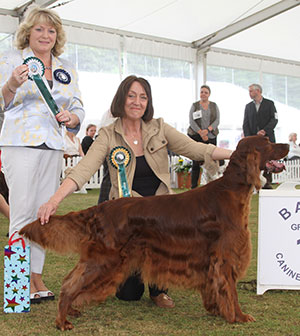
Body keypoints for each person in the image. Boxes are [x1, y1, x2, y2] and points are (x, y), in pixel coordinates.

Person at [37, 75, 232, 309]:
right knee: (128, 294)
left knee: (165, 255)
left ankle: (159, 290)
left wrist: (236, 153)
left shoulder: (159, 127)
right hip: (128, 219)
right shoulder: (108, 134)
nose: (137, 102)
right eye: (131, 96)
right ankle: (135, 277)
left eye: (143, 97)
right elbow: (83, 169)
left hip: (161, 215)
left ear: (148, 102)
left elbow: (197, 149)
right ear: (122, 99)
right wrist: (54, 200)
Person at [0, 6, 85, 303]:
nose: (45, 35)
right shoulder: (11, 60)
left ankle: (35, 277)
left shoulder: (67, 67)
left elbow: (78, 107)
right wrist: (11, 84)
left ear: (57, 36)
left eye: (51, 30)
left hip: (53, 146)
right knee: (21, 213)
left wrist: (72, 119)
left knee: (43, 215)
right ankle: (15, 287)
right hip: (19, 143)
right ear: (27, 32)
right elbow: (3, 102)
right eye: (39, 29)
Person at [242, 83, 278, 189]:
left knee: (268, 161)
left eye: (250, 91)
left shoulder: (270, 104)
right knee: (254, 161)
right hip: (253, 139)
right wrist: (248, 138)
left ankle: (267, 183)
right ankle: (255, 183)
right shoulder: (248, 106)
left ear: (257, 91)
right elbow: (245, 123)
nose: (249, 93)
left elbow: (274, 119)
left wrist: (265, 130)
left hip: (267, 138)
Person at [187, 85, 220, 188]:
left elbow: (217, 120)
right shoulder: (195, 106)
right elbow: (191, 121)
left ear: (209, 94)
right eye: (201, 92)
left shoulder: (214, 106)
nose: (203, 94)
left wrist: (207, 131)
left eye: (205, 92)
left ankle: (212, 186)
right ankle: (194, 187)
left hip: (211, 136)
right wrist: (201, 132)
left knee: (211, 162)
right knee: (196, 162)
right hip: (196, 136)